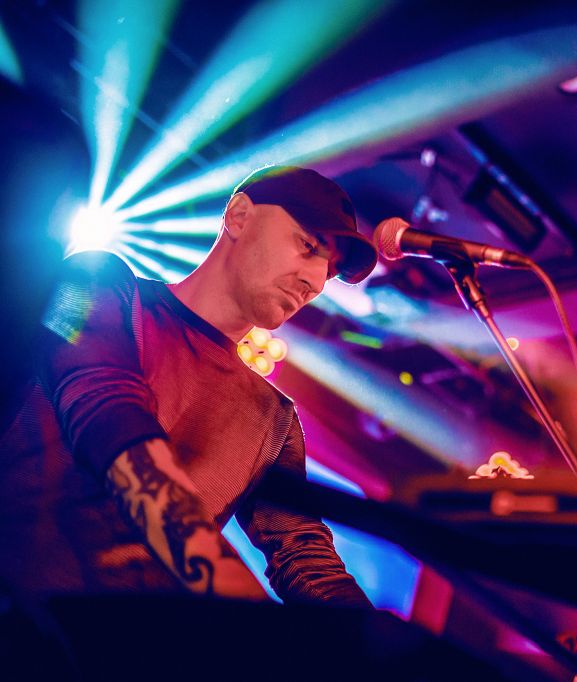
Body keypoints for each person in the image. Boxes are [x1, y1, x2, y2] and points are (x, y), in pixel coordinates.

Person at [0, 165, 379, 608]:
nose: (315, 282)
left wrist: (368, 636)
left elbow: (305, 557)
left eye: (328, 271)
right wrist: (237, 595)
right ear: (239, 216)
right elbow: (107, 411)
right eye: (308, 246)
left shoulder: (275, 419)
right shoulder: (97, 281)